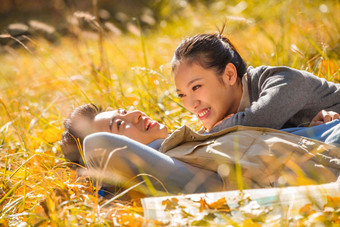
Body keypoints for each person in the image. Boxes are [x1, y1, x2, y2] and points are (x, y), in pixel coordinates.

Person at [60, 104, 340, 196]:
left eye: (123, 110)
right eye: (120, 123)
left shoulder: (198, 139)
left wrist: (308, 126)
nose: (135, 112)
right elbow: (96, 145)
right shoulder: (176, 171)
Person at [171, 33, 340, 138]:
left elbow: (259, 120)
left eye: (196, 87)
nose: (192, 105)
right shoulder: (229, 117)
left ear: (229, 74)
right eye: (182, 95)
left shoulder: (283, 81)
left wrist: (210, 133)